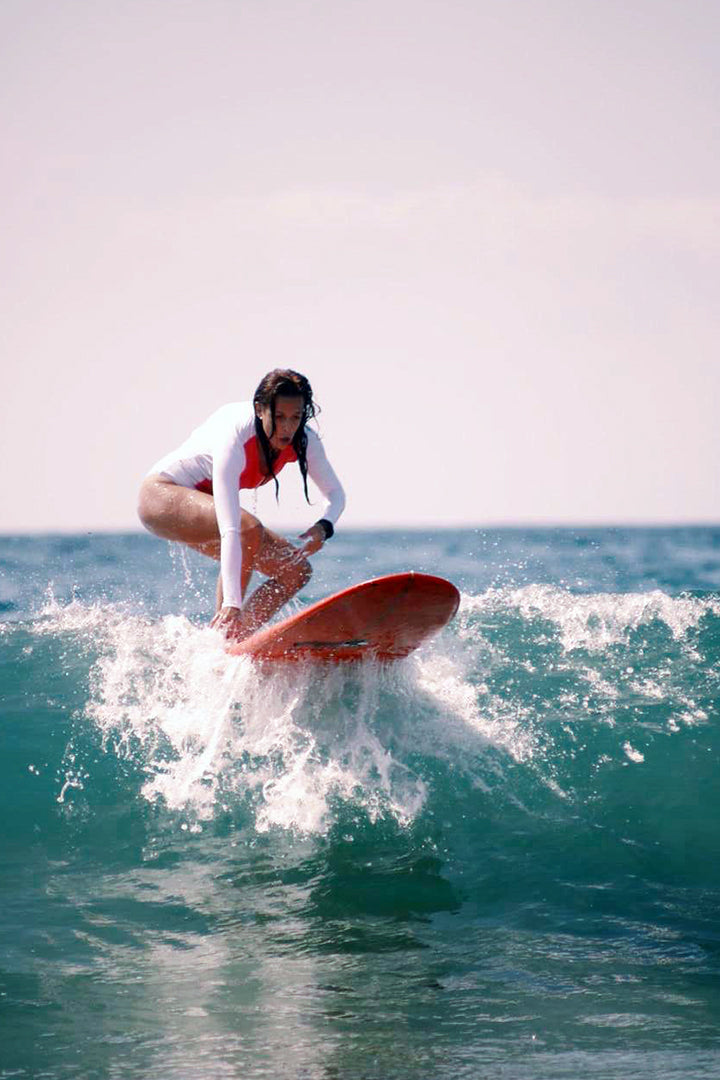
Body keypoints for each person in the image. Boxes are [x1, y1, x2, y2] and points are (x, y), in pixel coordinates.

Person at [137, 369, 345, 641]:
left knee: (296, 572)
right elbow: (232, 529)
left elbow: (336, 493)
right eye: (279, 417)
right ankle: (223, 635)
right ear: (260, 409)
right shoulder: (235, 435)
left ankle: (237, 643)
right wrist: (231, 602)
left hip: (204, 507)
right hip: (162, 496)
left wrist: (323, 526)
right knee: (249, 529)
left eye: (296, 417)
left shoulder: (304, 440)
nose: (287, 428)